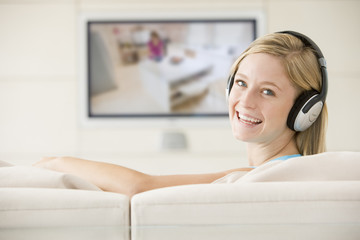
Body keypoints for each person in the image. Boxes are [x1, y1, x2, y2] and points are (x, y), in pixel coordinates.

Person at [34, 31, 328, 197]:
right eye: (241, 83)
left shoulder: (262, 178)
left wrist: (55, 162)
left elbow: (140, 188)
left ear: (306, 110)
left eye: (268, 91)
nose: (244, 101)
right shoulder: (294, 173)